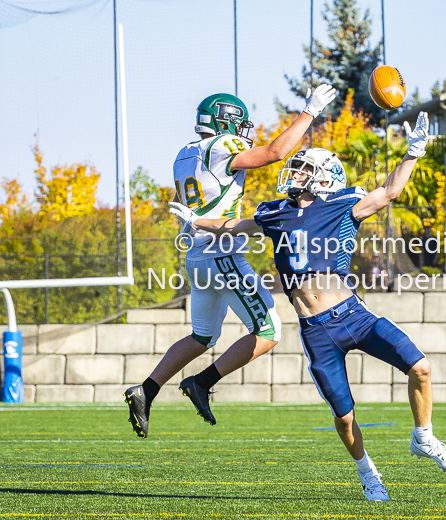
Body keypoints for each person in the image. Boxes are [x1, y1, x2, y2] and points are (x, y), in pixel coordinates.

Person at [169, 112, 446, 502]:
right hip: (316, 331)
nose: (295, 173)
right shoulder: (275, 212)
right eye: (297, 167)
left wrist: (413, 152)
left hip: (355, 316)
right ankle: (368, 474)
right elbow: (236, 226)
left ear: (326, 177)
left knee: (421, 367)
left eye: (304, 169)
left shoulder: (343, 205)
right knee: (343, 419)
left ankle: (423, 437)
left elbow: (389, 192)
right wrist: (196, 221)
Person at [124, 85, 337, 438]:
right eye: (241, 125)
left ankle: (146, 390)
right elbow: (274, 153)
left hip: (196, 256)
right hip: (221, 253)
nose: (244, 134)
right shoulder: (222, 146)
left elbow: (188, 199)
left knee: (202, 337)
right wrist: (310, 111)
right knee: (269, 330)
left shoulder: (183, 153)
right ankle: (201, 382)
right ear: (226, 121)